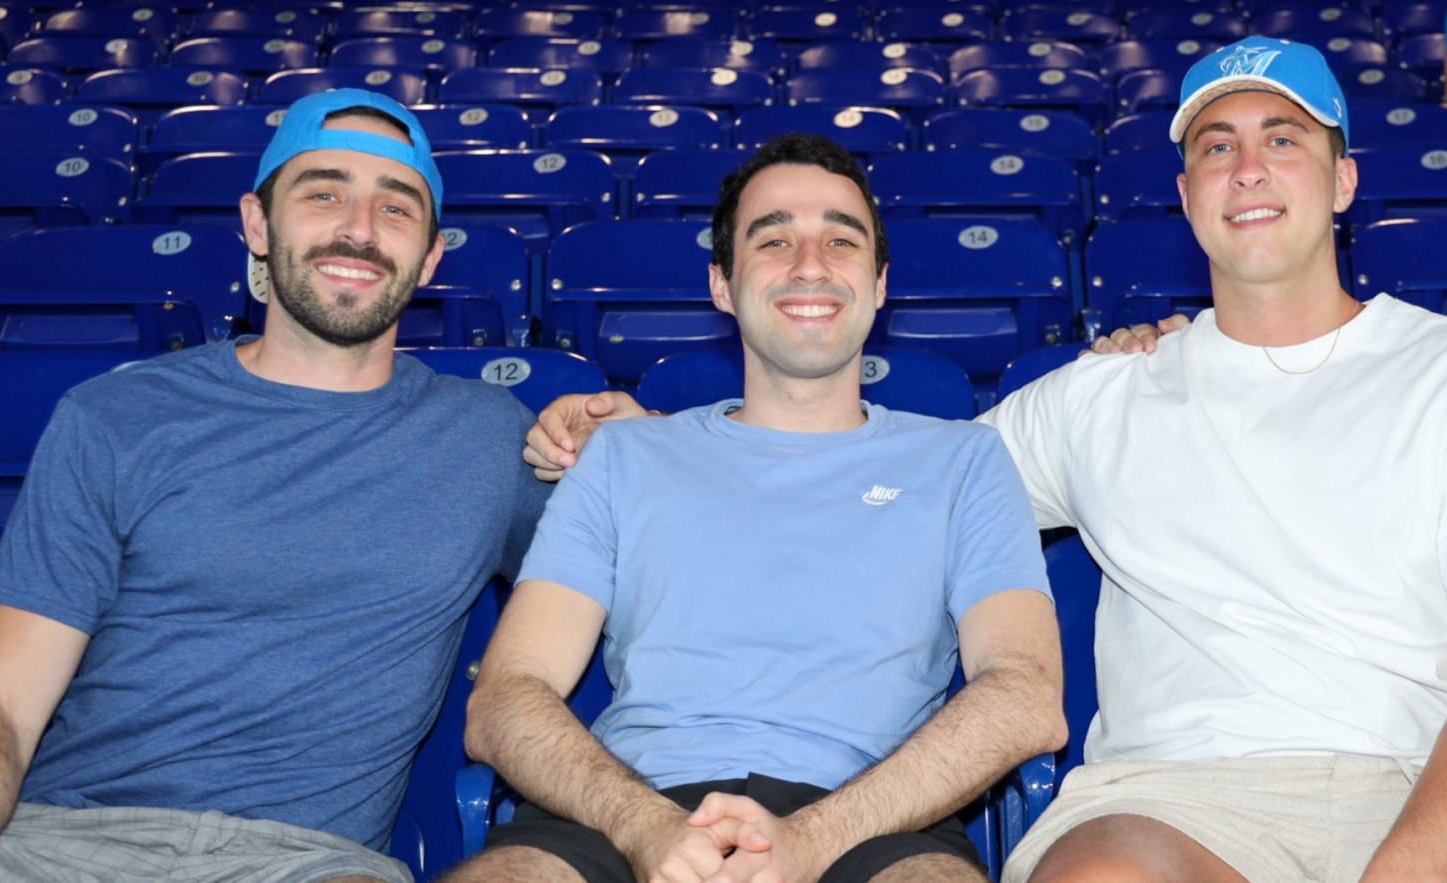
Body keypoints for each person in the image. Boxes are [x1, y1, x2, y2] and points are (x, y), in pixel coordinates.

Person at [526, 38, 1447, 883]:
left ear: (1343, 180)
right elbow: (865, 468)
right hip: (1181, 805)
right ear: (1189, 195)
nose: (1247, 167)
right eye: (1215, 147)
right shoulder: (1102, 395)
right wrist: (656, 431)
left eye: (1282, 139)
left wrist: (1406, 869)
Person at [0, 89, 550, 883]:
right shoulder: (116, 416)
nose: (359, 228)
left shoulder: (489, 436)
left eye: (396, 207)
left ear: (428, 258)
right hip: (59, 843)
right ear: (257, 223)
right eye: (323, 194)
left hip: (310, 864)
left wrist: (633, 436)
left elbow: (653, 562)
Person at [444, 134, 1065, 883]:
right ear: (722, 283)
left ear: (880, 284)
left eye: (842, 240)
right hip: (626, 813)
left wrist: (814, 838)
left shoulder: (963, 461)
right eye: (774, 240)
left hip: (876, 819)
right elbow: (505, 698)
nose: (810, 264)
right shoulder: (623, 455)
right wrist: (644, 827)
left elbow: (1025, 694)